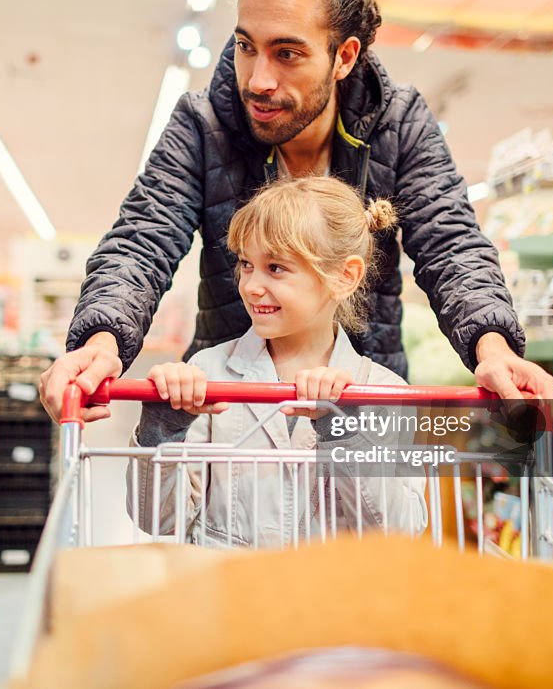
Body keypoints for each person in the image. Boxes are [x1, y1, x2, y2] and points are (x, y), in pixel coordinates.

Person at [40, 0, 553, 423]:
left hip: (358, 403)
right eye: (247, 46)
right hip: (227, 408)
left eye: (287, 53)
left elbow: (452, 243)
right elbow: (141, 240)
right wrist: (99, 343)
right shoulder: (204, 125)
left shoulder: (400, 124)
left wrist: (491, 346)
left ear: (344, 57)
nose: (259, 80)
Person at [128, 176, 428, 546]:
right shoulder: (209, 373)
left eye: (276, 268)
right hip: (226, 597)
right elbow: (158, 521)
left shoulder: (383, 391)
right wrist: (163, 431)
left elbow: (398, 531)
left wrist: (345, 434)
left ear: (344, 277)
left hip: (332, 601)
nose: (251, 286)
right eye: (246, 264)